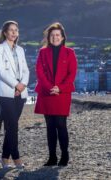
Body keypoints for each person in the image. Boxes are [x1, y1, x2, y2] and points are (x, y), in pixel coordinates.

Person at [35, 22, 77, 166]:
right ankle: (52, 157)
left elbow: (72, 74)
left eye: (58, 35)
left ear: (63, 37)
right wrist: (49, 87)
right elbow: (39, 72)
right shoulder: (42, 52)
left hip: (62, 93)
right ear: (49, 37)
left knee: (61, 124)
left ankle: (64, 156)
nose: (55, 37)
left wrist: (59, 88)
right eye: (52, 35)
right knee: (50, 125)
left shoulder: (70, 52)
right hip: (46, 93)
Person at [0, 20, 29, 169]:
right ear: (5, 32)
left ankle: (5, 158)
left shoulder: (20, 50)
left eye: (16, 30)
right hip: (6, 92)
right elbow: (0, 71)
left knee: (11, 126)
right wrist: (15, 84)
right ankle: (17, 158)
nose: (14, 32)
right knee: (13, 125)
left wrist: (22, 85)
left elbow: (26, 70)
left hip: (21, 91)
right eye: (11, 30)